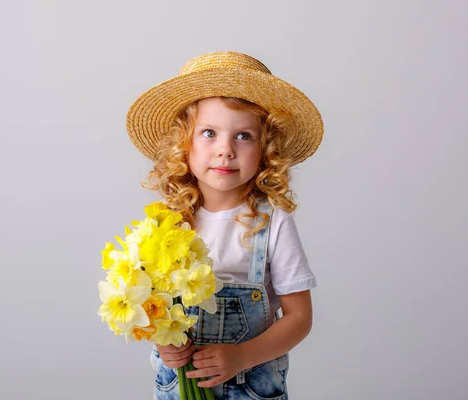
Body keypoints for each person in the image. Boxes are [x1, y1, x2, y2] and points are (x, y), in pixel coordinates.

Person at [126, 51, 323, 400]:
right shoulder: (168, 222)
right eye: (209, 133)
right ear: (183, 144)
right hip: (179, 387)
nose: (225, 150)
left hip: (251, 388)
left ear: (266, 148)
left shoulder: (271, 221)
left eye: (243, 136)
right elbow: (150, 304)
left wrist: (242, 356)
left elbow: (299, 317)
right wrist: (163, 340)